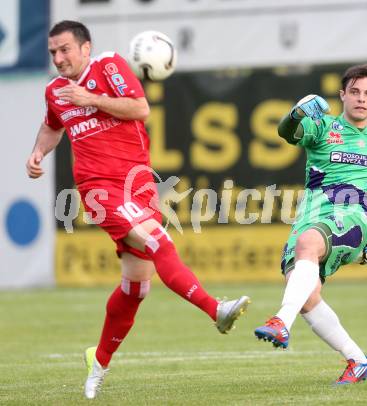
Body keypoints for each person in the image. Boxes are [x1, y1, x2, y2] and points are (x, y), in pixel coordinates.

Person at [26, 20, 250, 399]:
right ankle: (217, 310)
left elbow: (139, 108)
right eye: (52, 52)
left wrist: (91, 99)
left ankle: (97, 362)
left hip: (137, 187)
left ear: (85, 47)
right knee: (160, 242)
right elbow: (52, 126)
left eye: (64, 49)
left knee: (136, 287)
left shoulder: (109, 65)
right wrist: (38, 151)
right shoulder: (54, 91)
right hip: (99, 190)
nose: (58, 58)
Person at [254, 64, 367, 385]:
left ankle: (280, 321)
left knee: (308, 245)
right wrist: (294, 116)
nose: (362, 98)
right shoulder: (322, 127)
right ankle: (357, 361)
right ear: (342, 95)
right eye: (356, 92)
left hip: (353, 217)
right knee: (305, 294)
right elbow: (287, 134)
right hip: (312, 216)